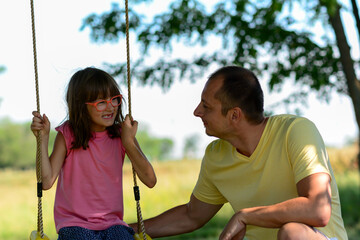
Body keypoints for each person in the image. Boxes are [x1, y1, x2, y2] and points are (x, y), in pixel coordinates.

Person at [131, 66, 348, 240]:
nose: (196, 112)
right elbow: (191, 215)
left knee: (293, 233)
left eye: (206, 107)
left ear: (235, 115)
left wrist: (245, 215)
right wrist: (125, 232)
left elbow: (317, 210)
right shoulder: (215, 155)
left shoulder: (295, 131)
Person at [30, 67, 157, 240]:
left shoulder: (123, 134)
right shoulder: (67, 134)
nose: (110, 107)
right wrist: (42, 139)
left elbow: (150, 180)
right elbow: (46, 181)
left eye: (114, 99)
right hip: (74, 225)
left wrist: (128, 142)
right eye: (101, 102)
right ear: (81, 106)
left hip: (113, 224)